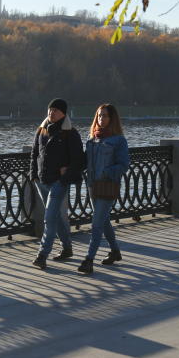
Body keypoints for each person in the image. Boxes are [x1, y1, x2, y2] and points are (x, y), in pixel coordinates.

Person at [29, 98, 85, 270]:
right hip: (42, 180)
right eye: (49, 110)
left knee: (50, 217)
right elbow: (34, 153)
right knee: (57, 216)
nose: (51, 113)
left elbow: (80, 160)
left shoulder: (70, 133)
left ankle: (42, 255)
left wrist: (66, 172)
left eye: (55, 110)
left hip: (59, 182)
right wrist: (33, 175)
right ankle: (67, 249)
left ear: (63, 113)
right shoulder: (42, 130)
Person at [78, 103, 130, 274]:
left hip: (108, 186)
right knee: (103, 220)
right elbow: (85, 163)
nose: (101, 119)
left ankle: (88, 260)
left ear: (112, 118)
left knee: (96, 224)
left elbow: (124, 165)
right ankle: (115, 251)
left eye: (105, 116)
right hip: (93, 186)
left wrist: (107, 173)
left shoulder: (118, 141)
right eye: (99, 115)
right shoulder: (92, 140)